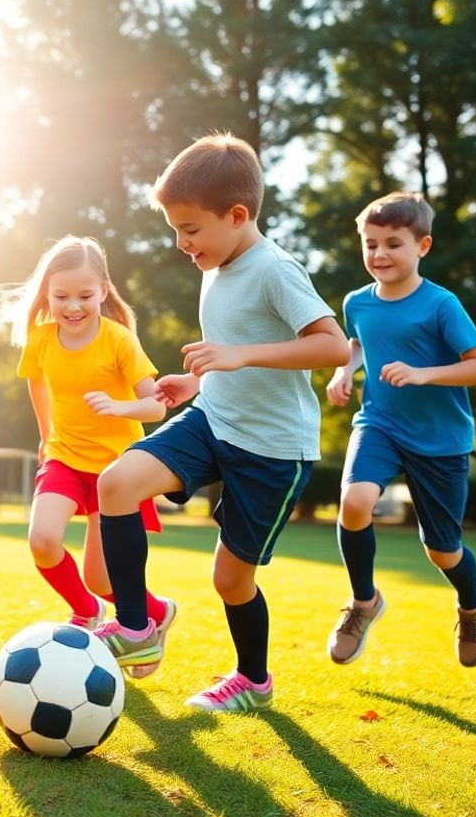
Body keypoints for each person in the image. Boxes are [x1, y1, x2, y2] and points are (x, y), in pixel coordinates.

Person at [93, 134, 350, 711]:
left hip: (273, 449)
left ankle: (253, 681)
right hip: (214, 417)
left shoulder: (275, 270)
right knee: (116, 483)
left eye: (190, 229)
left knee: (231, 582)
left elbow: (331, 346)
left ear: (238, 216)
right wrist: (199, 382)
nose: (182, 244)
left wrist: (238, 356)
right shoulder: (216, 261)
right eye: (175, 230)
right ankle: (137, 628)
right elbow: (229, 351)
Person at [325, 192, 476, 668]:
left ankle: (472, 603)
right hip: (379, 422)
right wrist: (345, 370)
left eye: (393, 244)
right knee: (356, 502)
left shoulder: (442, 304)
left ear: (423, 246)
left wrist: (424, 373)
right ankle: (363, 602)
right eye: (370, 243)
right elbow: (359, 341)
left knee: (441, 551)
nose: (379, 255)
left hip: (440, 439)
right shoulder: (357, 301)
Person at [7, 235, 178, 676]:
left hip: (116, 474)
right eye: (61, 296)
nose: (73, 306)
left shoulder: (119, 340)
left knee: (104, 579)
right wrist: (46, 436)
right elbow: (37, 381)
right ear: (47, 293)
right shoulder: (40, 339)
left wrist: (122, 407)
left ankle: (155, 612)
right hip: (64, 457)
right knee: (42, 540)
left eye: (85, 295)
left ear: (104, 289)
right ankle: (85, 611)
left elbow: (156, 403)